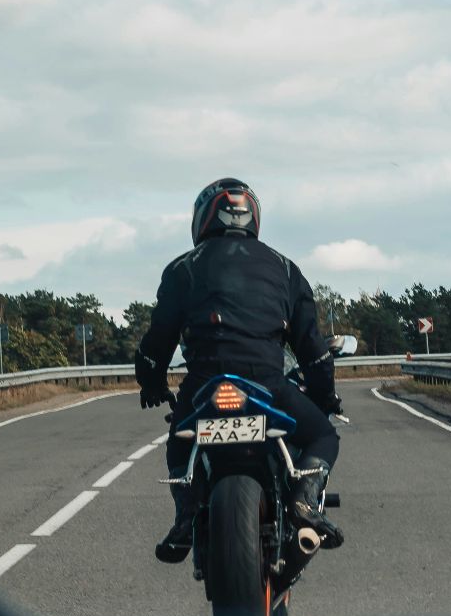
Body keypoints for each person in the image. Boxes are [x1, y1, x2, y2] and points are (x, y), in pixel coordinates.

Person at [134, 177, 343, 563]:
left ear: (202, 219)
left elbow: (157, 341)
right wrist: (324, 395)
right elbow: (312, 348)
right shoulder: (285, 268)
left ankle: (185, 515)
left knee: (179, 441)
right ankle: (304, 501)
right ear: (253, 218)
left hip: (204, 386)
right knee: (323, 436)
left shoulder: (183, 268)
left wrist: (151, 383)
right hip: (266, 382)